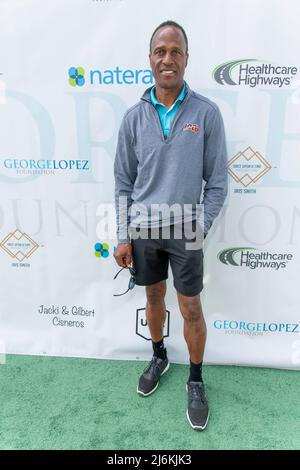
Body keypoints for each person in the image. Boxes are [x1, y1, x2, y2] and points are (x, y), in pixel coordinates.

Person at [114, 20, 228, 431]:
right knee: (154, 298)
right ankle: (160, 354)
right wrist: (123, 233)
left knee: (191, 306)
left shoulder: (206, 113)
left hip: (186, 231)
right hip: (143, 229)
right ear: (149, 59)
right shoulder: (133, 118)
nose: (168, 58)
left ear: (186, 59)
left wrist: (200, 225)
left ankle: (195, 379)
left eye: (175, 51)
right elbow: (124, 182)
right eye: (160, 51)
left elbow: (216, 183)